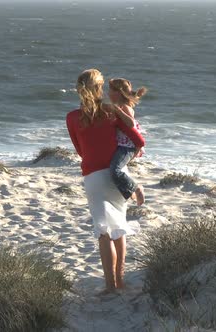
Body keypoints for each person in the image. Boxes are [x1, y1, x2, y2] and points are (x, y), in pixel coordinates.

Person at [66, 69, 146, 294]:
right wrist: (135, 152)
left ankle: (110, 286)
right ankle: (120, 282)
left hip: (93, 176)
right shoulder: (112, 112)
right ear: (99, 88)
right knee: (118, 226)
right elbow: (138, 139)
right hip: (117, 176)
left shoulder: (72, 117)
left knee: (103, 232)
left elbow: (80, 150)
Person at [108, 78, 147, 206]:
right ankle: (128, 193)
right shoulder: (121, 106)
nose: (108, 93)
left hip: (127, 147)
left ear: (118, 93)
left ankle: (136, 189)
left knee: (115, 170)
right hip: (122, 144)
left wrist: (118, 111)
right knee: (115, 169)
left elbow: (130, 123)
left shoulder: (125, 107)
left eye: (110, 90)